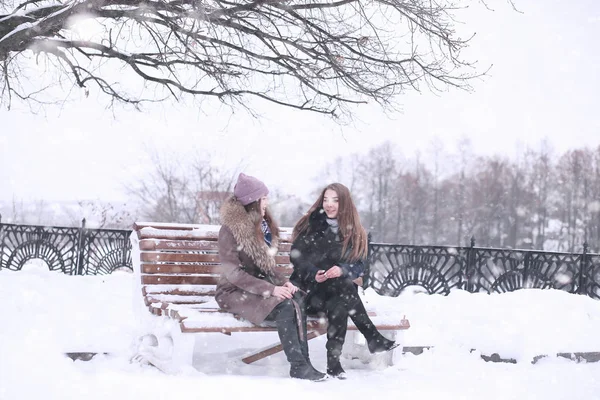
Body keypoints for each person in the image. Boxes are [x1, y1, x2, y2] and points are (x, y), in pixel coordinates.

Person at [215, 173, 326, 381]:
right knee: (284, 306)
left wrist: (284, 283)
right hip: (233, 292)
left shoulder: (261, 226)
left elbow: (266, 265)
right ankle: (298, 366)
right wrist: (272, 290)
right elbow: (233, 274)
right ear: (252, 201)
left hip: (257, 289)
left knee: (297, 298)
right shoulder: (229, 230)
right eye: (263, 198)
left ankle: (305, 362)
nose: (267, 202)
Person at [290, 183, 398, 379]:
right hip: (308, 294)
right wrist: (314, 272)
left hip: (335, 296)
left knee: (340, 298)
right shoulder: (311, 225)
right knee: (344, 290)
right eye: (326, 199)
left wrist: (342, 269)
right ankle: (371, 338)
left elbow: (360, 266)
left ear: (345, 203)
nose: (329, 204)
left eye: (335, 200)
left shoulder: (354, 231)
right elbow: (296, 258)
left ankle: (334, 364)